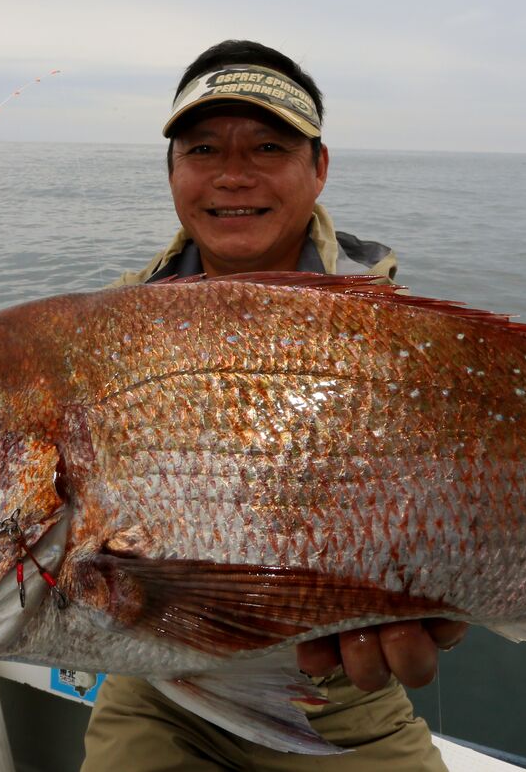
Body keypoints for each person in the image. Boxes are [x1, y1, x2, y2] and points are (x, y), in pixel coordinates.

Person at [84, 40, 466, 771]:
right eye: (202, 148)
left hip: (338, 684)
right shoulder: (115, 326)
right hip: (156, 677)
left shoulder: (394, 328)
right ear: (172, 174)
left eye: (267, 145)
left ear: (319, 168)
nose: (232, 174)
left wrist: (468, 568)